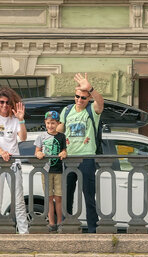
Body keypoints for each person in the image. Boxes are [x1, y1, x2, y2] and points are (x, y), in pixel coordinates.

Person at [58, 73, 104, 233]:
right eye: (77, 96)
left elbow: (101, 102)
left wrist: (90, 87)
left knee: (89, 196)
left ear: (89, 98)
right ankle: (67, 226)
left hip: (87, 158)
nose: (79, 100)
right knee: (67, 195)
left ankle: (92, 229)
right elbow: (59, 131)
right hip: (69, 159)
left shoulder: (92, 109)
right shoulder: (67, 110)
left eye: (83, 97)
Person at [0, 86, 28, 235]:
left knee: (19, 201)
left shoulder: (14, 119)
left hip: (14, 164)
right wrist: (1, 152)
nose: (4, 105)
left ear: (12, 104)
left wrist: (21, 120)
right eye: (1, 102)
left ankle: (24, 234)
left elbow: (23, 138)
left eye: (8, 103)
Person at [35, 110, 67, 232]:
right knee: (49, 197)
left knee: (58, 197)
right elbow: (37, 151)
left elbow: (64, 150)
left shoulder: (61, 136)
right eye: (48, 123)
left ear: (58, 123)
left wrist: (64, 152)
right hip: (46, 170)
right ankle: (51, 223)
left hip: (58, 170)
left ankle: (60, 222)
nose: (50, 126)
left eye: (53, 123)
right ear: (45, 123)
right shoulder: (41, 137)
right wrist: (39, 153)